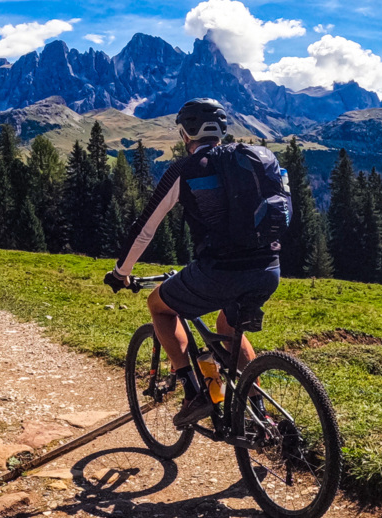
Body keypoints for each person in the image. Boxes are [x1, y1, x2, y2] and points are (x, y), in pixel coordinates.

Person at [103, 98, 283, 428]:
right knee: (228, 327)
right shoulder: (251, 160)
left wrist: (121, 273)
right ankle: (261, 415)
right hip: (268, 268)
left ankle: (193, 392)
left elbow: (145, 229)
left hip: (219, 272)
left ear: (185, 133)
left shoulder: (185, 169)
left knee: (159, 306)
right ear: (220, 130)